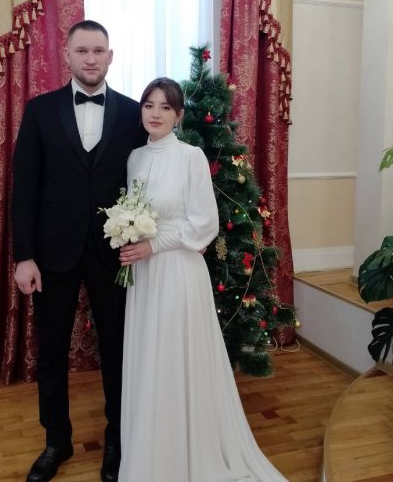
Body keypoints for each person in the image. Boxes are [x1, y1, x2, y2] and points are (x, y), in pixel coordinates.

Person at [117, 78, 288, 482]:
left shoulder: (190, 156)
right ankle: (151, 450)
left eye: (166, 107)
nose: (155, 113)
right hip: (144, 275)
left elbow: (205, 224)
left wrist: (154, 245)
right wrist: (128, 236)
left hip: (177, 271)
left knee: (175, 355)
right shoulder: (134, 157)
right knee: (150, 357)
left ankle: (187, 452)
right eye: (149, 105)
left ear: (178, 116)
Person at [12, 20, 146, 482]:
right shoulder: (39, 111)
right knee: (51, 351)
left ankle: (117, 441)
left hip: (115, 256)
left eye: (98, 51)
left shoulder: (134, 114)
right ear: (67, 55)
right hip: (53, 255)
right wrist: (24, 256)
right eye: (82, 50)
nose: (91, 58)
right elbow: (24, 189)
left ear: (111, 56)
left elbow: (146, 182)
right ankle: (57, 441)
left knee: (118, 351)